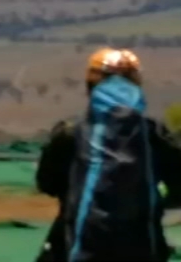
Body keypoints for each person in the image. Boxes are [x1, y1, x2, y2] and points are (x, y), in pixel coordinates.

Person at [34, 47, 181, 262]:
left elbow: (47, 183)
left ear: (91, 86)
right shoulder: (153, 134)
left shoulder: (70, 134)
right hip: (142, 246)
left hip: (78, 245)